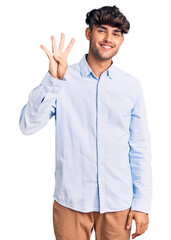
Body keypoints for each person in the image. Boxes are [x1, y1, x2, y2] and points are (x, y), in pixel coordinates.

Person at [19, 5, 152, 240]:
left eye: (116, 33)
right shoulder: (62, 78)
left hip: (117, 203)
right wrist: (52, 81)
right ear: (88, 33)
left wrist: (142, 203)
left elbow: (140, 148)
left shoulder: (131, 86)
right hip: (70, 202)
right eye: (102, 30)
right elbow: (27, 126)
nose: (108, 39)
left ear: (121, 40)